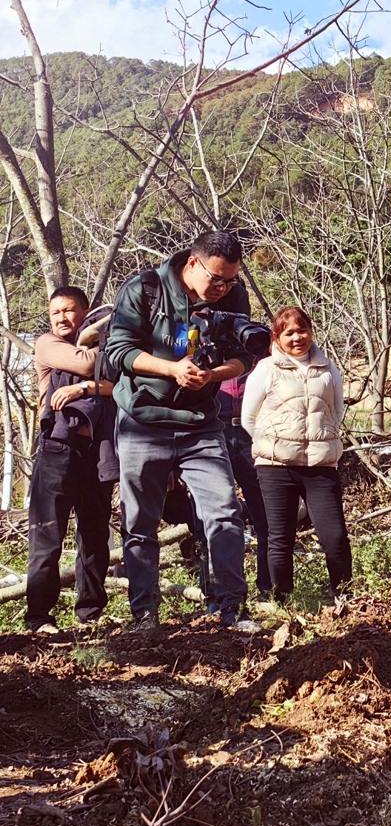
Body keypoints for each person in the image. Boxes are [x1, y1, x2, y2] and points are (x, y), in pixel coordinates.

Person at [106, 231, 259, 632]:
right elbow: (118, 351)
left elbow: (245, 357)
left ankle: (230, 608)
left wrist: (212, 375)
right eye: (216, 279)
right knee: (140, 522)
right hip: (143, 420)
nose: (222, 288)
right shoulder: (144, 289)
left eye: (230, 281)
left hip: (201, 424)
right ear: (192, 263)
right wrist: (172, 368)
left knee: (224, 512)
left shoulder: (230, 295)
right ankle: (144, 615)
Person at [242, 306, 353, 604]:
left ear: (311, 331)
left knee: (335, 538)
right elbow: (248, 419)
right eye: (288, 332)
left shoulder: (328, 368)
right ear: (276, 337)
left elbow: (336, 412)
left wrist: (316, 441)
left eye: (301, 330)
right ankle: (283, 604)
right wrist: (276, 445)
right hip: (275, 467)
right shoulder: (265, 369)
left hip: (320, 464)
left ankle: (344, 600)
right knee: (280, 539)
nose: (296, 338)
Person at [25, 287, 116, 634]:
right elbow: (88, 363)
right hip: (57, 449)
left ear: (86, 311)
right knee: (47, 535)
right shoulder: (47, 344)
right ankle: (39, 618)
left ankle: (90, 614)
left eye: (69, 310)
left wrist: (84, 389)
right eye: (55, 312)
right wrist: (103, 365)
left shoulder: (105, 344)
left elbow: (121, 382)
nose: (61, 318)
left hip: (98, 450)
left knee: (94, 536)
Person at [218, 370, 273, 598]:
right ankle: (219, 593)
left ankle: (269, 588)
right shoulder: (202, 340)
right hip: (212, 430)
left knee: (267, 513)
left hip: (254, 432)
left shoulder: (261, 342)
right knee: (213, 515)